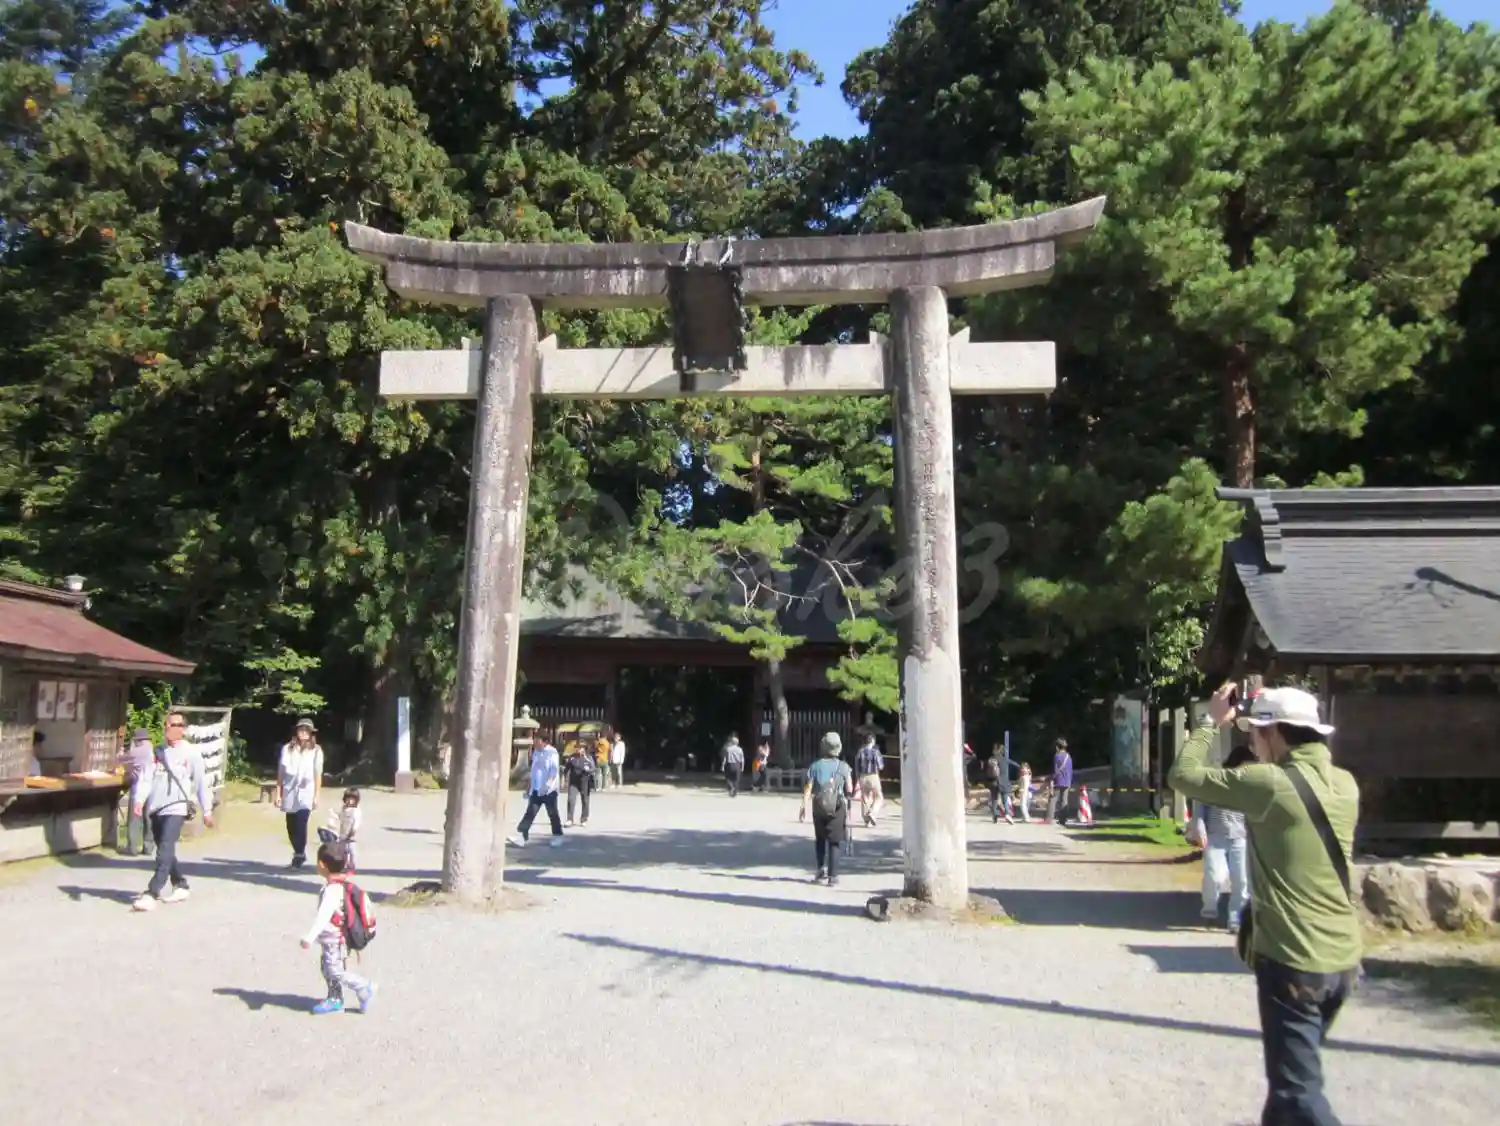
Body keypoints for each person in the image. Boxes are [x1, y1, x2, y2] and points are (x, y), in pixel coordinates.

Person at [1169, 683, 1360, 1126]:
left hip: (1294, 960)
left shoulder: (1269, 783)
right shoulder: (1346, 785)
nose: (1252, 744)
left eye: (1255, 733)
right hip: (1342, 961)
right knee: (1286, 1086)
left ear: (1274, 733)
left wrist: (1211, 721)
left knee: (1297, 1095)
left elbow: (1183, 775)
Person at [129, 711, 213, 912]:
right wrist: (139, 800)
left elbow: (201, 783)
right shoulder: (157, 752)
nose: (169, 728)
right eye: (167, 724)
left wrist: (207, 810)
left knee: (165, 848)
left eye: (175, 725)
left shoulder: (191, 753)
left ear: (182, 729)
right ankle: (181, 885)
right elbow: (146, 778)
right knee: (165, 850)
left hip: (177, 807)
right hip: (157, 807)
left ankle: (152, 892)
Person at [299, 841, 376, 1015]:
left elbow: (323, 917)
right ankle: (335, 999)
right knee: (327, 968)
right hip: (334, 938)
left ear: (322, 865)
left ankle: (364, 987)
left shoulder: (331, 891)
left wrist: (310, 937)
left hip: (335, 939)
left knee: (334, 970)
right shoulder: (339, 886)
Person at [1193, 745, 1256, 930]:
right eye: (1246, 766)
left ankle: (1236, 919)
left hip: (1241, 838)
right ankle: (1209, 908)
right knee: (1215, 876)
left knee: (1242, 881)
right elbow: (1201, 804)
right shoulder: (1216, 781)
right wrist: (1199, 827)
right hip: (1216, 837)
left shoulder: (1251, 787)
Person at [799, 732, 853, 886]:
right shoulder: (844, 767)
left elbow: (808, 788)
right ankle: (833, 876)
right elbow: (849, 788)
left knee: (820, 839)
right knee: (834, 842)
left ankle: (820, 869)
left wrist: (803, 806)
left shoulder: (815, 766)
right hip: (837, 807)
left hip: (818, 807)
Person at [276, 718, 323, 869]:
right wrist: (278, 793)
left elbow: (317, 774)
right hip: (289, 790)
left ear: (311, 733)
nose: (303, 733)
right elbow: (281, 772)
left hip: (306, 791)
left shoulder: (316, 750)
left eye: (306, 730)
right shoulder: (287, 749)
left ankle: (299, 854)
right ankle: (298, 851)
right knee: (290, 825)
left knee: (301, 823)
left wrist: (317, 795)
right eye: (301, 730)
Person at [511, 730, 564, 848]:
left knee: (552, 813)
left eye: (537, 741)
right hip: (536, 788)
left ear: (545, 742)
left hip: (549, 790)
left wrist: (548, 785)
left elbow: (553, 771)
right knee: (530, 812)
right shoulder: (536, 752)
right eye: (535, 740)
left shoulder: (552, 753)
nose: (535, 743)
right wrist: (529, 786)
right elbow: (534, 770)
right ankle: (522, 836)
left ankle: (558, 835)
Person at [118, 728, 156, 857]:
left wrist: (120, 752)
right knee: (148, 817)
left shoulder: (137, 751)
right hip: (152, 786)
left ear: (137, 740)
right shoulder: (151, 748)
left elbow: (120, 759)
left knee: (134, 818)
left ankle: (132, 847)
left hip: (139, 787)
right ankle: (148, 846)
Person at [320, 787, 363, 873]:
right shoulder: (344, 808)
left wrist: (353, 830)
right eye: (348, 799)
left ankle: (352, 865)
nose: (350, 801)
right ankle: (344, 865)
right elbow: (341, 817)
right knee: (343, 850)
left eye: (352, 799)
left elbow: (357, 821)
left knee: (351, 850)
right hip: (343, 833)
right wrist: (334, 814)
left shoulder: (356, 811)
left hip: (352, 834)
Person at [853, 734, 884, 826]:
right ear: (873, 741)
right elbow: (880, 766)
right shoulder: (876, 752)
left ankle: (866, 820)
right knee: (879, 796)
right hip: (873, 776)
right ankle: (872, 813)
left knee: (865, 797)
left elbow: (856, 766)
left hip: (863, 776)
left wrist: (858, 777)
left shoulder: (860, 752)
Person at [565, 739, 596, 826]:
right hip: (573, 781)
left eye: (581, 748)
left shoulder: (588, 758)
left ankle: (584, 819)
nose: (579, 749)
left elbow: (593, 768)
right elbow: (566, 769)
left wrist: (588, 770)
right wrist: (565, 780)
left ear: (584, 748)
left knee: (585, 800)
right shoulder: (572, 757)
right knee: (571, 799)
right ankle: (569, 819)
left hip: (584, 781)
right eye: (577, 748)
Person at [985, 746, 1017, 825]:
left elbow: (986, 770)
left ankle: (994, 816)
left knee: (994, 800)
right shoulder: (1004, 759)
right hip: (1003, 781)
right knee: (1004, 799)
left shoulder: (991, 759)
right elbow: (1015, 764)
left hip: (993, 782)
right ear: (1002, 752)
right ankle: (1007, 814)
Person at [1046, 738, 1073, 824]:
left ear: (1057, 747)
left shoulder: (1057, 756)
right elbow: (1070, 770)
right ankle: (1063, 819)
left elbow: (1055, 770)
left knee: (1053, 799)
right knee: (1064, 800)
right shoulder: (1068, 756)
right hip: (1067, 781)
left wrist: (1052, 780)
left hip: (1058, 780)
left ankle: (1049, 818)